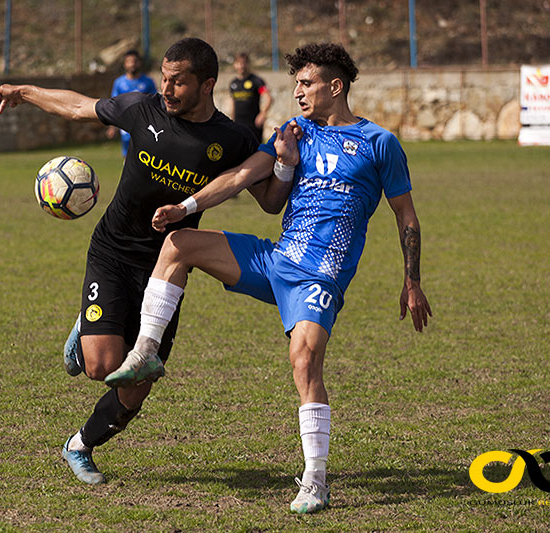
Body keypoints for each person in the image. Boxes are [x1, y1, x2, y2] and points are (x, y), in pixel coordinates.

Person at [105, 43, 433, 514]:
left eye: (307, 83)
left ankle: (315, 481)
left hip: (318, 278)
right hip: (275, 261)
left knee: (304, 362)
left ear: (335, 87)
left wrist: (412, 280)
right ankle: (144, 353)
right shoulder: (293, 132)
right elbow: (241, 177)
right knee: (179, 243)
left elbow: (406, 214)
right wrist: (188, 207)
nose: (297, 91)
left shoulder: (380, 143)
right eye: (295, 83)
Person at [0, 38, 266, 486]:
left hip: (166, 271)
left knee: (136, 384)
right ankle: (86, 330)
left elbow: (268, 197)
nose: (167, 88)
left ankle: (80, 445)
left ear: (207, 84)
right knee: (100, 366)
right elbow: (79, 106)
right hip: (113, 252)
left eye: (179, 81)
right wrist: (24, 91)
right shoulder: (143, 109)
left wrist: (285, 158)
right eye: (164, 78)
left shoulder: (233, 139)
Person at [106, 49, 158, 157]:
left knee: (145, 153)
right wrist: (112, 127)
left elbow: (155, 102)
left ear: (139, 63)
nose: (132, 64)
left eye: (135, 61)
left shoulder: (148, 82)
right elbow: (114, 105)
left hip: (144, 122)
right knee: (128, 154)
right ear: (125, 64)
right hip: (126, 123)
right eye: (129, 61)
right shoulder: (119, 83)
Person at [229, 52, 272, 142]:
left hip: (253, 124)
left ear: (247, 64)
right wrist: (231, 120)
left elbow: (268, 97)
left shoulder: (256, 81)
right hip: (238, 123)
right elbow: (232, 102)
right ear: (235, 65)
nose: (241, 66)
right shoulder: (233, 84)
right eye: (238, 63)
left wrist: (262, 114)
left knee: (255, 149)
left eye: (243, 63)